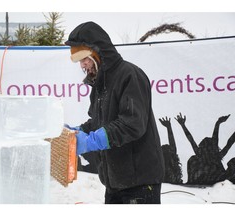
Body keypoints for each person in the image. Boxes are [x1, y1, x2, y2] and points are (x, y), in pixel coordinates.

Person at [65, 21, 165, 204]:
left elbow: (132, 123)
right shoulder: (99, 85)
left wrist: (92, 141)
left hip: (140, 184)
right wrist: (78, 131)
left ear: (97, 52)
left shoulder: (129, 75)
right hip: (115, 183)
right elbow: (98, 121)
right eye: (79, 61)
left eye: (84, 58)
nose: (82, 66)